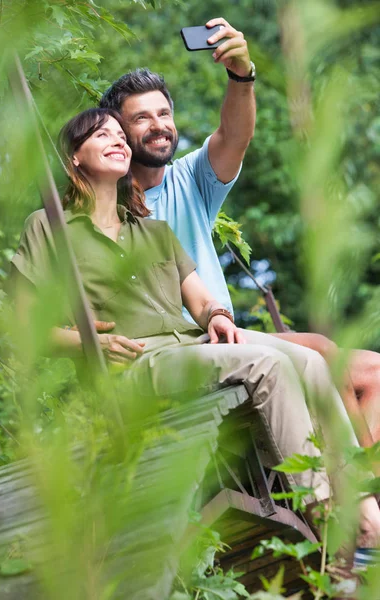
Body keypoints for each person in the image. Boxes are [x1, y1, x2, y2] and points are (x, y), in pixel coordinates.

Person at [11, 107, 380, 550]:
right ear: (74, 159)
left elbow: (201, 300)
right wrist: (88, 343)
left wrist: (218, 317)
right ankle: (326, 522)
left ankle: (360, 509)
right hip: (135, 361)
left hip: (188, 344)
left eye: (119, 135)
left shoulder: (155, 232)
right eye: (101, 134)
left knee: (311, 359)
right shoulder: (49, 228)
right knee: (267, 364)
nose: (118, 140)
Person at [99, 19, 380, 442]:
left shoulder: (189, 178)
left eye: (164, 113)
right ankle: (356, 491)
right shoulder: (105, 210)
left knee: (373, 372)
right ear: (119, 132)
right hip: (181, 347)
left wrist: (240, 75)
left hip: (228, 333)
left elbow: (235, 134)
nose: (158, 124)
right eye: (142, 118)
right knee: (323, 352)